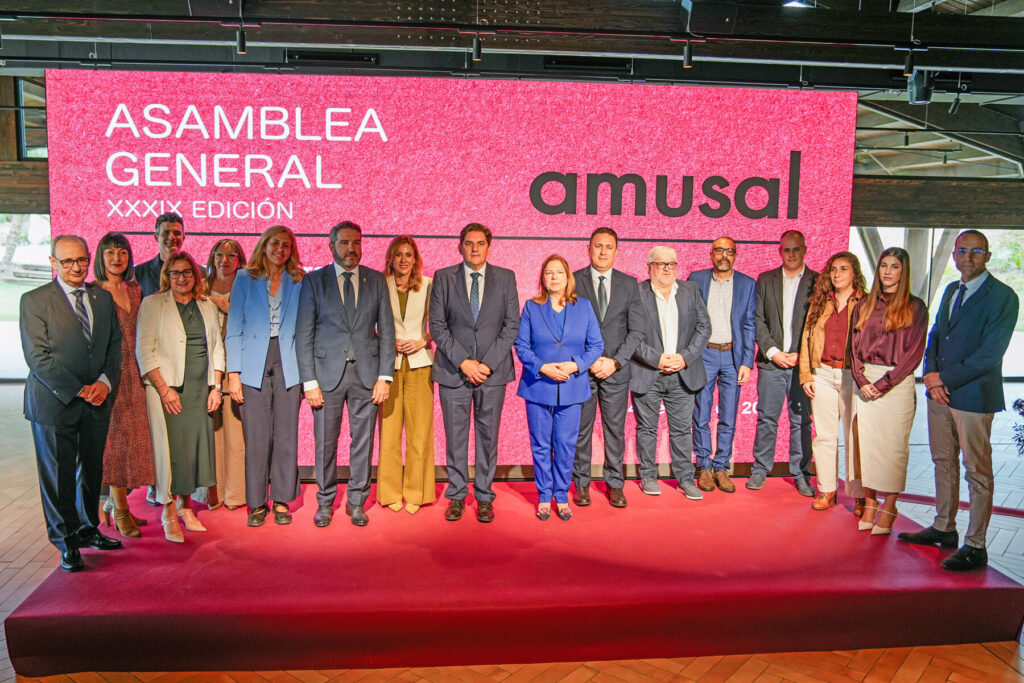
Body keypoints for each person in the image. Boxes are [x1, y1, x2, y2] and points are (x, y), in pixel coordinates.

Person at [899, 230, 1019, 570]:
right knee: (943, 462)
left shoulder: (1004, 297)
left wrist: (942, 379)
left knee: (977, 471)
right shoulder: (953, 289)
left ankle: (976, 545)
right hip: (939, 393)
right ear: (954, 255)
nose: (967, 257)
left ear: (988, 256)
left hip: (972, 397)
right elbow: (937, 334)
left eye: (976, 251)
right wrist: (930, 374)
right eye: (962, 250)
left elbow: (990, 355)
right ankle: (943, 527)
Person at [20, 235, 124, 571]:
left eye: (81, 260)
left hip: (97, 400)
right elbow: (38, 358)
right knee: (59, 475)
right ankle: (66, 542)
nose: (76, 267)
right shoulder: (35, 300)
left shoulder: (103, 298)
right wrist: (81, 389)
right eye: (67, 262)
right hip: (54, 403)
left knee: (91, 471)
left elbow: (113, 347)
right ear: (53, 263)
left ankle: (88, 528)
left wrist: (105, 383)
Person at [296, 221, 395, 528]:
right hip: (326, 378)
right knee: (325, 442)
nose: (351, 249)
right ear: (331, 246)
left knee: (362, 442)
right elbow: (304, 334)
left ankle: (356, 502)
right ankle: (324, 502)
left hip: (367, 376)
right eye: (344, 243)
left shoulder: (376, 280)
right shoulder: (314, 281)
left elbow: (387, 332)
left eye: (356, 242)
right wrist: (309, 381)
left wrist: (385, 377)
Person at [429, 223, 520, 523]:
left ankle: (484, 496)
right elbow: (438, 327)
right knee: (455, 438)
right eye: (469, 243)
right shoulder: (443, 278)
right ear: (460, 246)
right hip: (453, 372)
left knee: (487, 438)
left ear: (489, 246)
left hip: (492, 374)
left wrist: (487, 364)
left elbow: (511, 327)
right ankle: (456, 495)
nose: (475, 248)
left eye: (480, 243)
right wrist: (464, 362)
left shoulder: (506, 278)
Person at [136, 252, 225, 542]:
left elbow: (217, 348)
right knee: (170, 452)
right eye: (175, 273)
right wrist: (164, 389)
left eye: (187, 272)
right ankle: (168, 512)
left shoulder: (206, 305)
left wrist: (216, 387)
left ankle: (186, 507)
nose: (182, 278)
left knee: (194, 450)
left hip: (201, 390)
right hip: (168, 390)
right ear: (166, 277)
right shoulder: (153, 304)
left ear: (195, 275)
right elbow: (144, 350)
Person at [226, 227, 305, 527]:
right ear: (264, 245)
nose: (280, 249)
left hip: (289, 362)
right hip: (251, 363)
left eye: (286, 245)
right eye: (275, 243)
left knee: (286, 434)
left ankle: (282, 498)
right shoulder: (246, 278)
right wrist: (234, 375)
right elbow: (234, 326)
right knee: (257, 437)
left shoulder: (299, 280)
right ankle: (257, 503)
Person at [516, 255, 603, 521]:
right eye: (548, 273)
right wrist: (542, 367)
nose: (554, 277)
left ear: (568, 277)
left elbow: (596, 346)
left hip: (572, 386)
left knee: (565, 444)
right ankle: (544, 495)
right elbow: (522, 346)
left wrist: (575, 366)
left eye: (559, 272)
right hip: (539, 385)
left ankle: (562, 494)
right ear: (542, 278)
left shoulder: (584, 307)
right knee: (541, 444)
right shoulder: (531, 307)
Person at [849, 247, 927, 536]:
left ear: (902, 272)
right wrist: (860, 379)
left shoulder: (915, 307)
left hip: (896, 383)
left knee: (893, 449)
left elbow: (913, 354)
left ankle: (890, 506)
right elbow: (854, 347)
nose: (887, 271)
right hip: (864, 380)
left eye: (894, 266)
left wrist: (882, 385)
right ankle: (870, 503)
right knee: (865, 447)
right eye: (884, 265)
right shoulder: (864, 304)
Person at [571, 227, 645, 509]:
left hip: (615, 371)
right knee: (581, 431)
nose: (603, 251)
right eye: (598, 246)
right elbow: (568, 329)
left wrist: (614, 361)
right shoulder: (574, 280)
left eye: (608, 247)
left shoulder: (630, 284)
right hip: (583, 371)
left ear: (617, 250)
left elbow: (637, 331)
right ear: (589, 248)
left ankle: (615, 484)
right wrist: (588, 361)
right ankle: (581, 484)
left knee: (615, 431)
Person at [630, 246, 711, 500]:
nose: (667, 268)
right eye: (661, 264)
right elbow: (629, 332)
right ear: (649, 267)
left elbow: (704, 327)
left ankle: (686, 479)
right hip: (648, 373)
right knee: (647, 429)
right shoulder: (637, 292)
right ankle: (648, 476)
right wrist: (657, 359)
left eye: (671, 264)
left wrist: (684, 358)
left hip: (682, 374)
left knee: (681, 430)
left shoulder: (690, 290)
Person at [93, 232, 156, 538]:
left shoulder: (134, 289)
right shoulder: (93, 292)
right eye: (110, 252)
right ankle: (118, 510)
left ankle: (118, 505)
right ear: (100, 257)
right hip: (109, 375)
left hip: (137, 373)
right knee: (115, 445)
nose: (117, 258)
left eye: (122, 252)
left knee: (136, 445)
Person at [749, 230, 818, 496]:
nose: (791, 254)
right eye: (786, 250)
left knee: (801, 421)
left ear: (804, 250)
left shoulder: (818, 282)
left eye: (796, 249)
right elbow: (757, 319)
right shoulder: (765, 279)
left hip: (803, 365)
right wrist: (773, 351)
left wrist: (803, 355)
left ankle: (801, 474)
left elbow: (817, 324)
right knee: (767, 418)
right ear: (780, 251)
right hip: (772, 363)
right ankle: (760, 469)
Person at [798, 252, 866, 513]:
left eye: (843, 269)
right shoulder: (819, 302)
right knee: (825, 436)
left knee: (854, 438)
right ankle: (826, 490)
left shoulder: (867, 303)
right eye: (833, 269)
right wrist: (806, 375)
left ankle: (859, 495)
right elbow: (806, 338)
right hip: (823, 374)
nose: (837, 274)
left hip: (853, 376)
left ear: (854, 273)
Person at [687, 236, 756, 494]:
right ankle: (703, 465)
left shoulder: (748, 284)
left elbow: (749, 325)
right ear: (711, 254)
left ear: (736, 255)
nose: (724, 255)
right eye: (719, 250)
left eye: (729, 251)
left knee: (728, 415)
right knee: (701, 413)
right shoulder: (697, 278)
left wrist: (747, 361)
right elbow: (689, 318)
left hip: (732, 356)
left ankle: (721, 466)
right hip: (704, 354)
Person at [378, 236, 437, 515]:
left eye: (408, 255)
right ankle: (389, 491)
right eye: (398, 254)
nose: (403, 259)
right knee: (389, 433)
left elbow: (439, 324)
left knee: (419, 433)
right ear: (391, 258)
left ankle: (417, 492)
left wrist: (423, 341)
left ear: (415, 260)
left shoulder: (428, 285)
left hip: (420, 364)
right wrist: (385, 340)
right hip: (387, 367)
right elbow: (368, 323)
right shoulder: (380, 285)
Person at [195, 238, 247, 512]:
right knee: (209, 432)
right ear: (212, 258)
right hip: (205, 368)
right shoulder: (199, 286)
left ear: (240, 259)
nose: (225, 259)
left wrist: (230, 308)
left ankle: (236, 493)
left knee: (236, 433)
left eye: (231, 255)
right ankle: (210, 494)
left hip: (238, 366)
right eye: (219, 254)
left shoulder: (248, 286)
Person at [135, 213, 185, 298]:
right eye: (166, 233)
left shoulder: (200, 273)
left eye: (176, 233)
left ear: (183, 238)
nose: (172, 237)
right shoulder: (139, 273)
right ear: (156, 237)